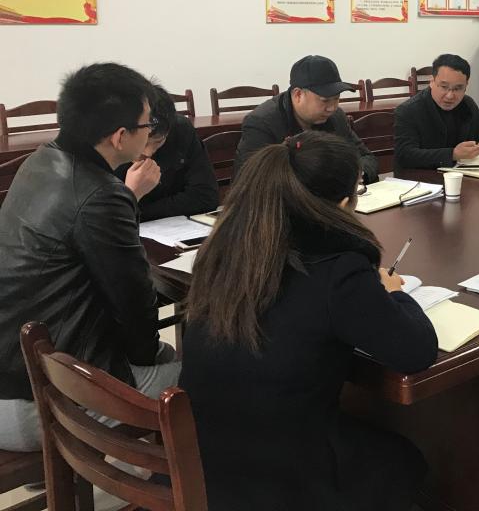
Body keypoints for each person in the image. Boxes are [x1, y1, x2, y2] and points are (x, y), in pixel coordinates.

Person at [181, 132, 438, 510]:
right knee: (406, 460)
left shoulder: (225, 248)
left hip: (200, 459)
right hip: (278, 480)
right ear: (343, 204)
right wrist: (393, 293)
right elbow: (416, 350)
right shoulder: (339, 268)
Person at [0, 63, 180, 451]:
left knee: (167, 355)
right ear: (120, 136)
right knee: (203, 377)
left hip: (13, 371)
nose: (150, 132)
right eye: (147, 124)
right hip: (35, 398)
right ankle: (165, 477)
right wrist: (149, 363)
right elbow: (135, 305)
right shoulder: (101, 194)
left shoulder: (40, 160)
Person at [235, 55, 378, 183]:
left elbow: (366, 158)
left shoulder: (336, 117)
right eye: (325, 100)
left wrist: (358, 174)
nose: (332, 108)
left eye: (336, 98)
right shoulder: (262, 124)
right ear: (298, 95)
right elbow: (252, 182)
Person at [115, 84, 219, 221]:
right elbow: (105, 217)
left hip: (172, 227)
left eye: (158, 141)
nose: (148, 153)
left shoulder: (180, 130)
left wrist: (136, 210)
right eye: (143, 143)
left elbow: (206, 197)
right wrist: (131, 195)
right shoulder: (109, 149)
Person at [393, 53, 479, 172]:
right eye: (444, 87)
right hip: (421, 179)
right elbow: (405, 155)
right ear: (432, 81)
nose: (450, 95)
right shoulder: (408, 110)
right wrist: (452, 154)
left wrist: (477, 150)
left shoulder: (467, 104)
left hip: (465, 177)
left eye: (458, 88)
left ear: (466, 86)